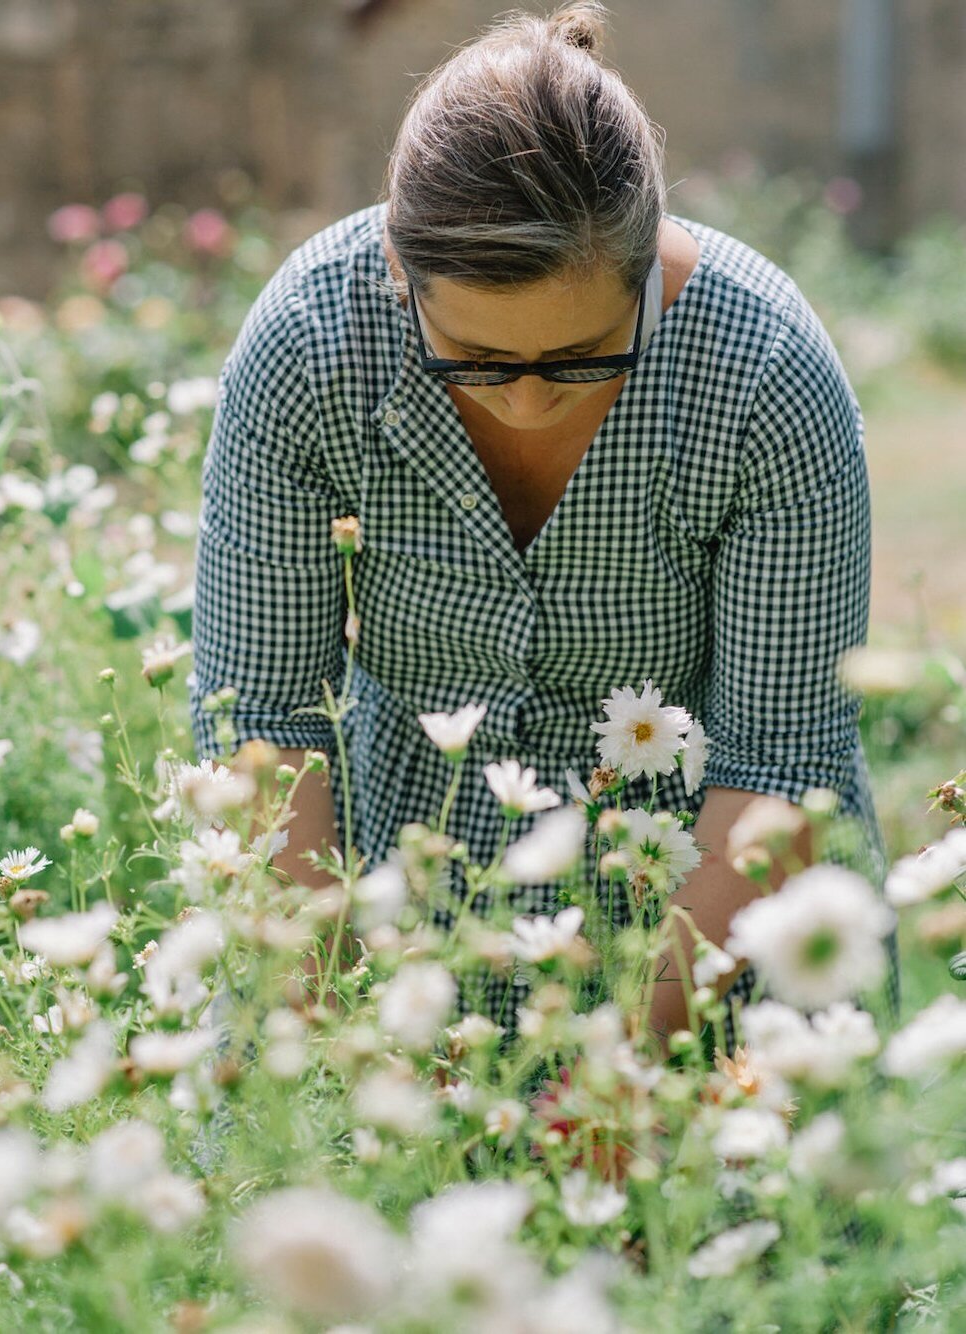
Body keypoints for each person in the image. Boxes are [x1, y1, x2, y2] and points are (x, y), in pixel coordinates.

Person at [189, 1, 899, 1054]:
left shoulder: (764, 373)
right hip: (396, 885)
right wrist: (329, 1028)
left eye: (580, 358)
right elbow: (264, 727)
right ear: (399, 273)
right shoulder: (308, 346)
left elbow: (777, 760)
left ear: (647, 270)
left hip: (715, 899)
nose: (525, 400)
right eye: (473, 360)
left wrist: (631, 1060)